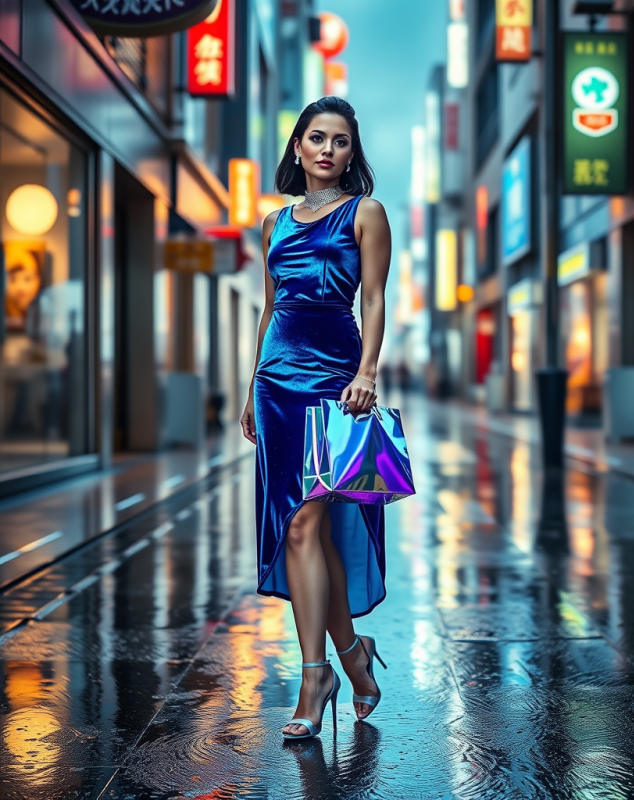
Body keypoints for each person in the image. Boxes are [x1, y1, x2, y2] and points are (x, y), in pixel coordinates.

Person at [240, 97, 391, 741]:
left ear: (352, 153)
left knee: (308, 520)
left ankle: (321, 674)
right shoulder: (272, 223)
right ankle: (343, 660)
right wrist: (251, 387)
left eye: (341, 141)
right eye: (317, 138)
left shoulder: (367, 213)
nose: (328, 149)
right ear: (298, 146)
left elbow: (374, 298)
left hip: (335, 378)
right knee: (303, 527)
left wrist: (367, 372)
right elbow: (270, 309)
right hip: (277, 383)